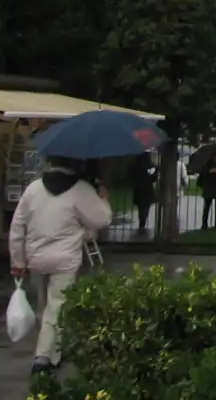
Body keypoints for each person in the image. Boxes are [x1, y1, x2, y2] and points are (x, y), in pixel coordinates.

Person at [9, 160, 113, 375]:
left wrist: (18, 260)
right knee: (56, 306)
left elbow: (17, 226)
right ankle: (43, 357)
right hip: (65, 260)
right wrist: (103, 199)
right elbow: (101, 220)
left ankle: (52, 354)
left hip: (36, 258)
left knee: (43, 306)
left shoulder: (33, 189)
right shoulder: (81, 190)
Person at [129, 152, 157, 233]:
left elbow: (131, 176)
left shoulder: (135, 165)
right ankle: (143, 220)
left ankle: (142, 220)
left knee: (141, 207)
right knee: (146, 206)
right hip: (148, 189)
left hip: (139, 189)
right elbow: (154, 178)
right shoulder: (151, 166)